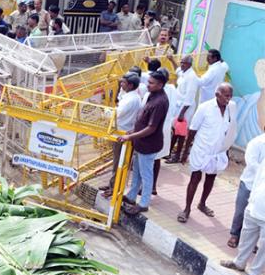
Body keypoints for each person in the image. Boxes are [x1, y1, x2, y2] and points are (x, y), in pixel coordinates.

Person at [177, 84, 235, 224]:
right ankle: (187, 209)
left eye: (230, 96)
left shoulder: (231, 108)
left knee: (211, 179)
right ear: (217, 94)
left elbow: (229, 131)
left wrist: (226, 150)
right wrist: (185, 152)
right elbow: (192, 130)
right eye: (226, 95)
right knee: (195, 178)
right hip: (201, 150)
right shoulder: (205, 108)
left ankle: (202, 204)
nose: (228, 99)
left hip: (217, 152)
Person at [118, 69, 169, 215]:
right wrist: (133, 132)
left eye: (151, 83)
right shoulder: (152, 96)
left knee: (146, 174)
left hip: (149, 144)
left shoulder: (160, 102)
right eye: (148, 82)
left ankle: (144, 203)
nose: (148, 85)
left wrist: (130, 136)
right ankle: (131, 196)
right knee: (137, 172)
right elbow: (143, 119)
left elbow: (151, 128)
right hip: (141, 142)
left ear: (160, 85)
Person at [221, 159, 265, 275]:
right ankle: (239, 263)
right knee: (246, 238)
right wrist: (251, 201)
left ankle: (254, 274)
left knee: (263, 248)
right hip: (254, 207)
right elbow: (258, 179)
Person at [101, 72, 142, 198]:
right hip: (124, 131)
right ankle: (113, 185)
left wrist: (103, 110)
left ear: (130, 85)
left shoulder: (130, 100)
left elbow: (115, 114)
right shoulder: (132, 97)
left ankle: (114, 189)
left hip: (122, 133)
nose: (121, 84)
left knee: (119, 162)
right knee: (118, 162)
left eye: (123, 82)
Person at [227, 127, 265, 248]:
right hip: (249, 183)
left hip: (262, 188)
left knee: (256, 214)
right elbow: (252, 163)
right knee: (240, 211)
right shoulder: (256, 143)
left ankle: (251, 242)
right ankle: (234, 235)